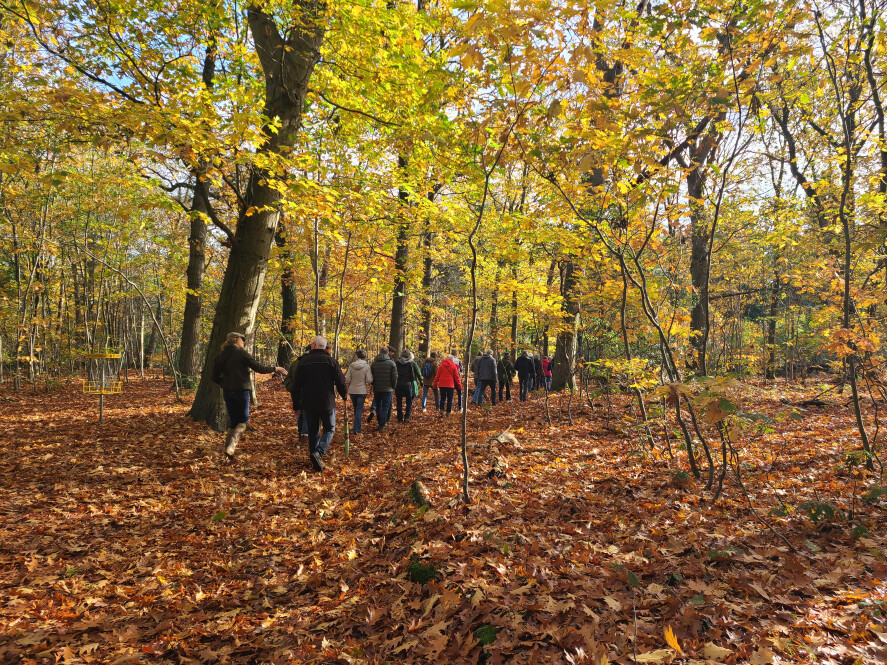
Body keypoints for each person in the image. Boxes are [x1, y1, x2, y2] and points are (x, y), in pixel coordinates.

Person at [211, 331, 286, 458]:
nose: (243, 342)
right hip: (241, 391)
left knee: (234, 421)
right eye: (242, 339)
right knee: (243, 420)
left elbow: (214, 377)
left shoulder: (221, 356)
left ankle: (228, 450)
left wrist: (224, 384)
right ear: (235, 340)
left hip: (228, 392)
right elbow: (259, 368)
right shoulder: (241, 353)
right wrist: (275, 369)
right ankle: (231, 446)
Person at [290, 336, 347, 472]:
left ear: (313, 345)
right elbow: (341, 381)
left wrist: (296, 405)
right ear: (324, 346)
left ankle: (314, 456)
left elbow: (296, 386)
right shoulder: (331, 361)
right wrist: (344, 395)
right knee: (329, 429)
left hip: (309, 403)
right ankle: (319, 453)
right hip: (327, 402)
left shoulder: (303, 362)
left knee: (313, 431)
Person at [284, 345, 312, 437]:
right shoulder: (309, 363)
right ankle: (304, 436)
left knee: (301, 414)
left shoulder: (295, 362)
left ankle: (301, 435)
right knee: (306, 416)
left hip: (297, 394)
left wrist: (292, 388)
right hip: (307, 394)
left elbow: (287, 379)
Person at [345, 349, 372, 435]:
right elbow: (369, 380)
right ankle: (357, 429)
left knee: (356, 409)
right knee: (359, 409)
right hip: (362, 391)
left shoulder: (351, 366)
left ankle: (356, 427)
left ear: (357, 356)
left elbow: (348, 379)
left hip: (353, 390)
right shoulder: (367, 367)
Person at [370, 345, 397, 431]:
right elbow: (394, 377)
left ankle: (380, 422)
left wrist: (374, 384)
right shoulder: (391, 363)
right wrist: (393, 386)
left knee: (378, 405)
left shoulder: (374, 363)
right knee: (385, 406)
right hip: (388, 389)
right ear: (387, 353)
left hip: (377, 388)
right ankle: (382, 425)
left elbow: (371, 376)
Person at [395, 349, 422, 422]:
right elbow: (415, 374)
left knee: (399, 401)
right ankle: (407, 417)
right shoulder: (411, 363)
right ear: (409, 355)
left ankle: (399, 418)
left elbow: (394, 373)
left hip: (398, 384)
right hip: (407, 384)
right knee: (409, 401)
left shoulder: (396, 363)